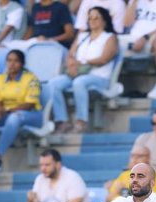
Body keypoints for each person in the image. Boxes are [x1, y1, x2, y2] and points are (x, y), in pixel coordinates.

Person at [48, 6, 118, 134]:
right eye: (90, 18)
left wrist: (82, 62)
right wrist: (71, 65)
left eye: (96, 18)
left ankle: (81, 121)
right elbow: (70, 55)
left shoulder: (110, 37)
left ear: (104, 21)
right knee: (53, 84)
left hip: (99, 77)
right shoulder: (82, 36)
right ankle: (62, 120)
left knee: (79, 82)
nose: (92, 21)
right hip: (77, 72)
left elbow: (104, 59)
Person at [0, 49, 41, 171]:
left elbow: (28, 104)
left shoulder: (31, 79)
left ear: (22, 64)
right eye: (9, 60)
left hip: (31, 115)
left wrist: (5, 110)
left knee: (14, 117)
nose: (12, 64)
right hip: (5, 114)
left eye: (16, 61)